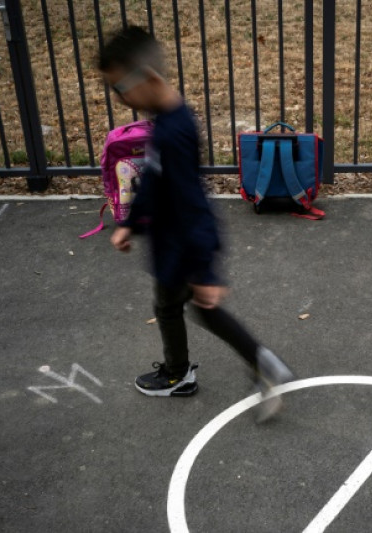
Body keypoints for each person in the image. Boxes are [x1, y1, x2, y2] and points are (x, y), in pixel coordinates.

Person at [98, 26, 294, 422]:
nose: (119, 98)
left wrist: (204, 269)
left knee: (182, 307)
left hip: (181, 244)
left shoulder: (174, 132)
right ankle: (219, 367)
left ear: (149, 78)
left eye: (119, 87)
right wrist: (131, 224)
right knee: (183, 307)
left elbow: (192, 202)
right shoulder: (169, 117)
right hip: (171, 240)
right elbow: (153, 179)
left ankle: (194, 372)